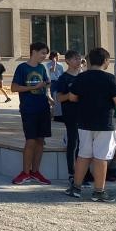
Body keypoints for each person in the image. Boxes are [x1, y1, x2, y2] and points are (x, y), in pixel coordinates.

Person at [65, 47, 116, 202]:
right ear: (106, 61)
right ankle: (99, 191)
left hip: (84, 122)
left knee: (83, 155)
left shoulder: (81, 77)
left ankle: (76, 188)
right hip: (106, 122)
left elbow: (72, 97)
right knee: (101, 157)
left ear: (90, 60)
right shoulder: (110, 78)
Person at [10, 42, 52, 186]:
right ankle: (25, 172)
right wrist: (33, 87)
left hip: (43, 107)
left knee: (41, 140)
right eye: (42, 53)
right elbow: (14, 87)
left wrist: (48, 92)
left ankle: (36, 171)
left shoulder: (42, 68)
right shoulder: (22, 68)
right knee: (31, 140)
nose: (44, 56)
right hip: (29, 109)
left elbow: (45, 85)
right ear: (33, 52)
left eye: (45, 53)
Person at [53, 50, 84, 184]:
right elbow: (59, 97)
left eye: (79, 58)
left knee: (84, 144)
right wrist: (70, 96)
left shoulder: (83, 77)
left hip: (85, 114)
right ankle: (72, 173)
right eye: (75, 59)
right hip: (71, 114)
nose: (78, 61)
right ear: (68, 61)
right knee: (73, 142)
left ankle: (84, 173)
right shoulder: (64, 78)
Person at [46, 51, 65, 120]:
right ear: (53, 56)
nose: (59, 57)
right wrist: (54, 63)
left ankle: (57, 114)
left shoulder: (61, 65)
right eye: (57, 56)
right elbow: (52, 70)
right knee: (52, 98)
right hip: (52, 82)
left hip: (59, 82)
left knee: (58, 98)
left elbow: (62, 74)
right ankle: (51, 114)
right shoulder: (48, 64)